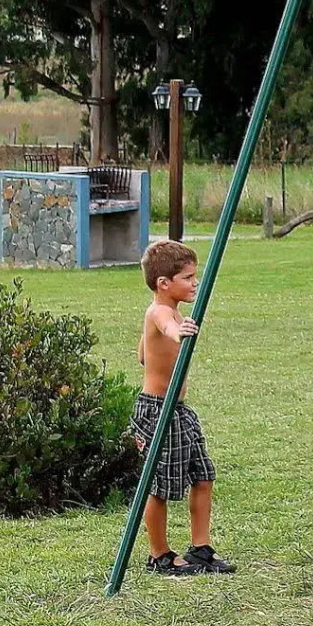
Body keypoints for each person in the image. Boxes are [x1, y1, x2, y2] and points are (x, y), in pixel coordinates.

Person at [133, 239, 233, 576]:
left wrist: (166, 341)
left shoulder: (166, 309)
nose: (195, 283)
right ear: (164, 283)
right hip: (157, 411)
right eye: (188, 277)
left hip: (178, 410)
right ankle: (159, 555)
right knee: (159, 485)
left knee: (203, 476)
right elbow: (167, 327)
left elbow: (144, 355)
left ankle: (200, 549)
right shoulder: (162, 312)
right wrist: (179, 332)